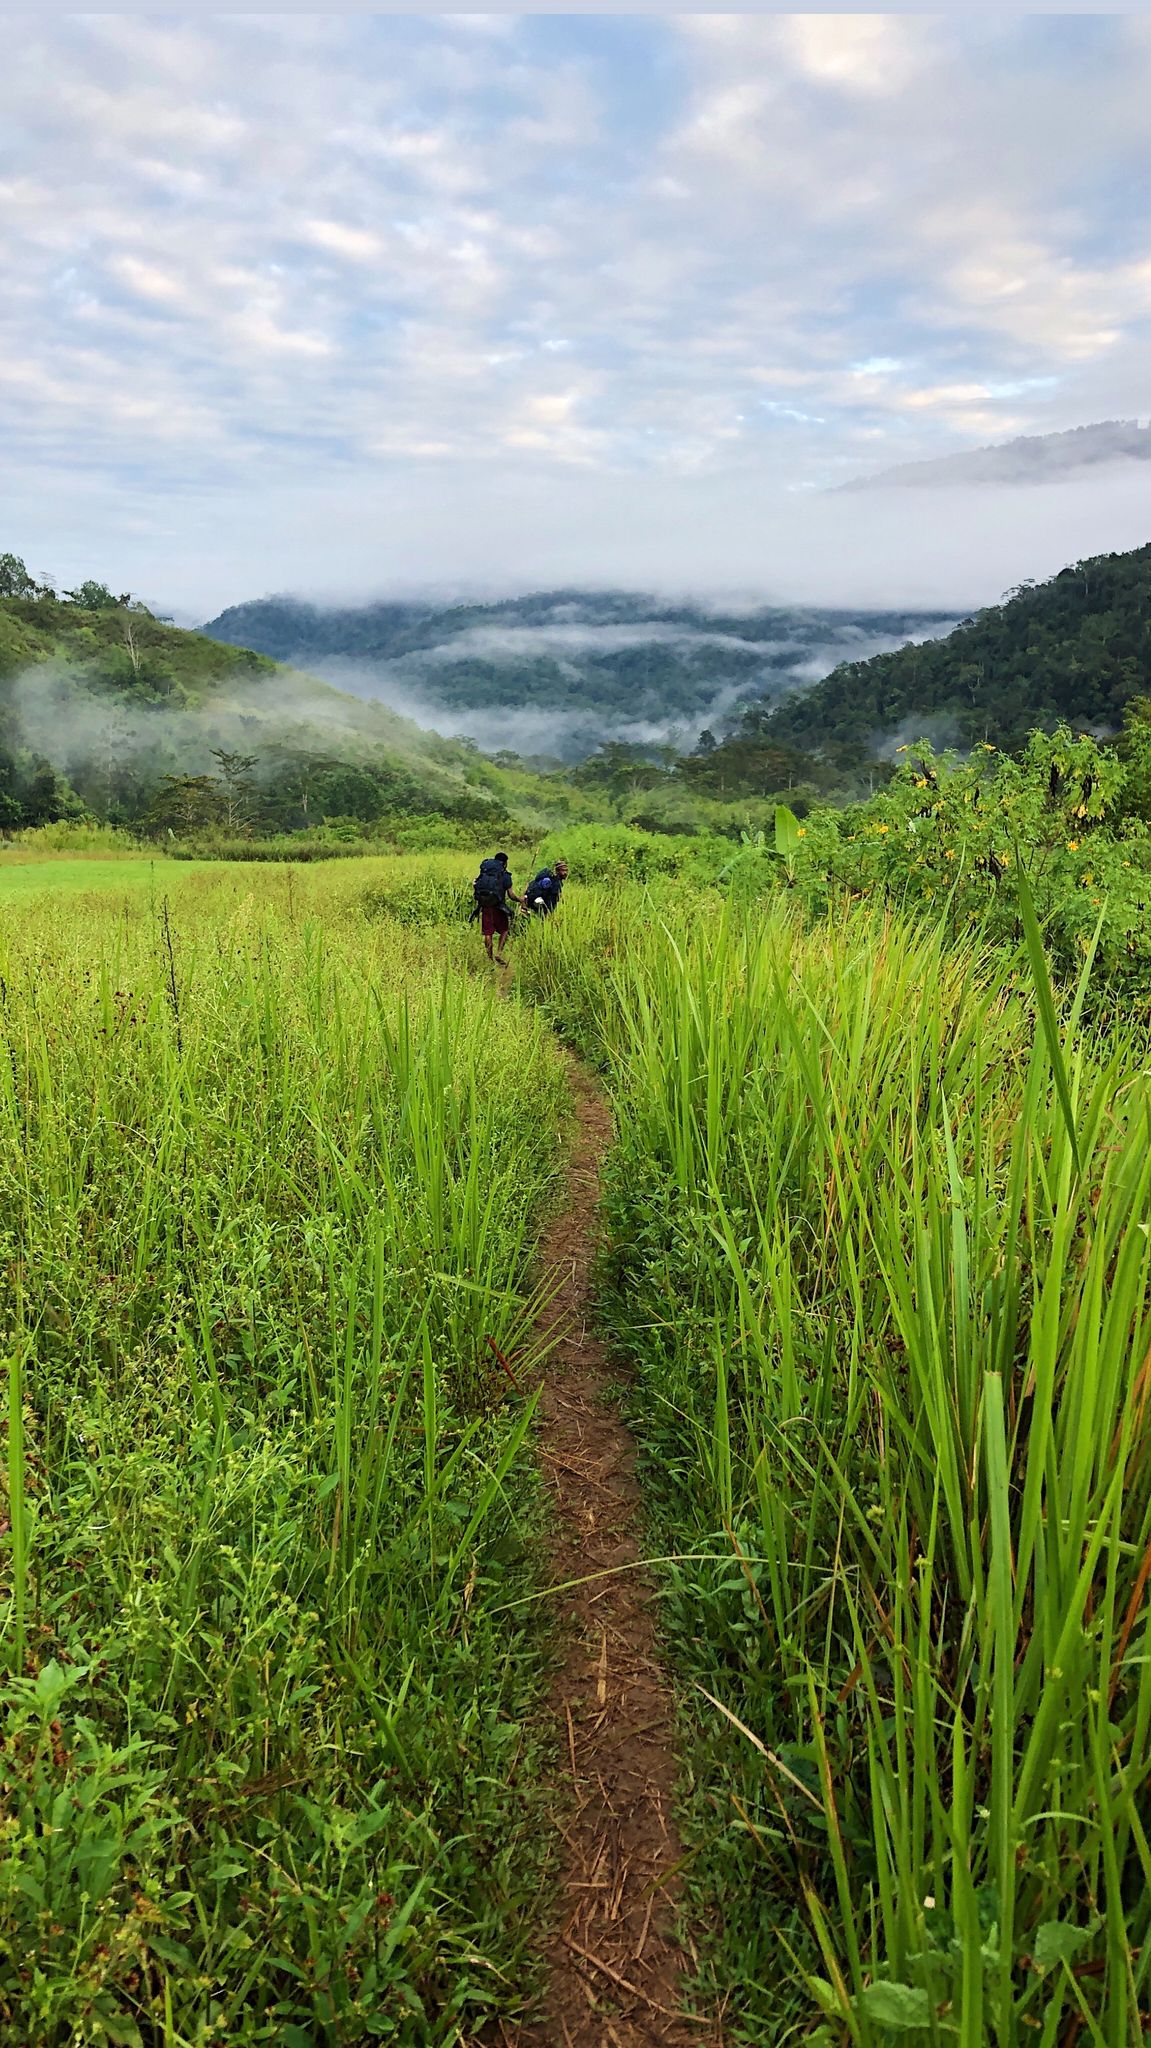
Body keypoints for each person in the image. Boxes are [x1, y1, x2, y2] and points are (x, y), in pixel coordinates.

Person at [471, 851, 521, 963]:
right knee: (504, 930)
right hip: (499, 907)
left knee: (488, 933)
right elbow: (511, 895)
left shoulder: (485, 872)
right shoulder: (505, 875)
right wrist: (520, 899)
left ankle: (490, 959)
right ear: (505, 863)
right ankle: (498, 953)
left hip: (485, 906)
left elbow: (475, 884)